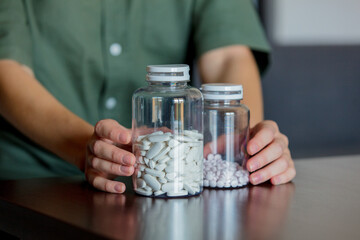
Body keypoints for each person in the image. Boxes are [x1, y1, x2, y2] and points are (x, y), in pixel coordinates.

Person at [0, 0, 295, 193]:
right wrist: (84, 146)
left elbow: (228, 55)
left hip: (166, 176)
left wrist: (240, 144)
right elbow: (6, 68)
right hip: (31, 181)